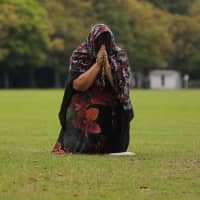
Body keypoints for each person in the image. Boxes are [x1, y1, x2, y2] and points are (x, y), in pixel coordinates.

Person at [52, 24, 134, 154]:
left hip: (111, 106)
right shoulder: (80, 54)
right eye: (99, 42)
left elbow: (121, 88)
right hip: (85, 102)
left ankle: (111, 145)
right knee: (85, 106)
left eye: (106, 42)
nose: (103, 46)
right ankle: (78, 145)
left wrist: (107, 68)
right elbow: (77, 85)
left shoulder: (119, 55)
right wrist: (97, 66)